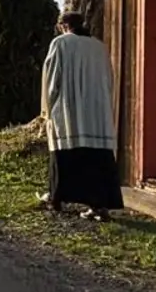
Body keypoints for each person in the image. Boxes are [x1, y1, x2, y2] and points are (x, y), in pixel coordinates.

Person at [38, 12, 123, 221]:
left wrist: (47, 109)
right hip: (96, 113)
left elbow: (52, 80)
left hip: (69, 111)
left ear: (64, 25)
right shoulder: (99, 47)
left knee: (64, 154)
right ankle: (99, 205)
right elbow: (109, 79)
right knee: (97, 159)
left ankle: (57, 199)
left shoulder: (60, 44)